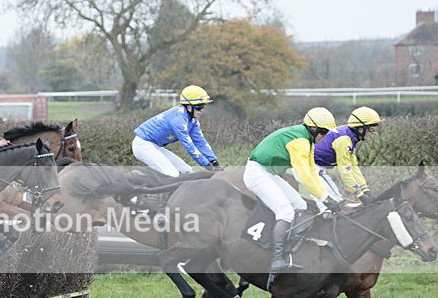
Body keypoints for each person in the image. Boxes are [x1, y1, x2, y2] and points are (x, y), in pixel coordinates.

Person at [243, 107, 344, 273]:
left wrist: (325, 199)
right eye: (324, 132)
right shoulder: (300, 142)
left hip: (269, 173)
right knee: (285, 212)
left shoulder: (307, 141)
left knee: (300, 205)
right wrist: (325, 199)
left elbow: (312, 173)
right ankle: (276, 260)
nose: (325, 137)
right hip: (257, 173)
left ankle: (290, 248)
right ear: (313, 128)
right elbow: (304, 176)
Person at [132, 85, 222, 177]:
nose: (202, 110)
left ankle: (146, 177)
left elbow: (200, 142)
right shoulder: (178, 120)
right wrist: (207, 165)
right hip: (143, 145)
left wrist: (214, 162)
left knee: (187, 170)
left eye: (203, 106)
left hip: (154, 146)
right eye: (199, 107)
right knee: (172, 174)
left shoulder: (192, 120)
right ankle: (141, 179)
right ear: (189, 106)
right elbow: (189, 146)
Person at [311, 106, 383, 207]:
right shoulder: (344, 140)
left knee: (338, 201)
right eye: (371, 129)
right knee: (328, 208)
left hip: (317, 166)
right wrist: (360, 194)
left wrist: (365, 189)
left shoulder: (351, 138)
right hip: (307, 166)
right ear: (361, 129)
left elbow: (353, 166)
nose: (373, 132)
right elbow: (345, 170)